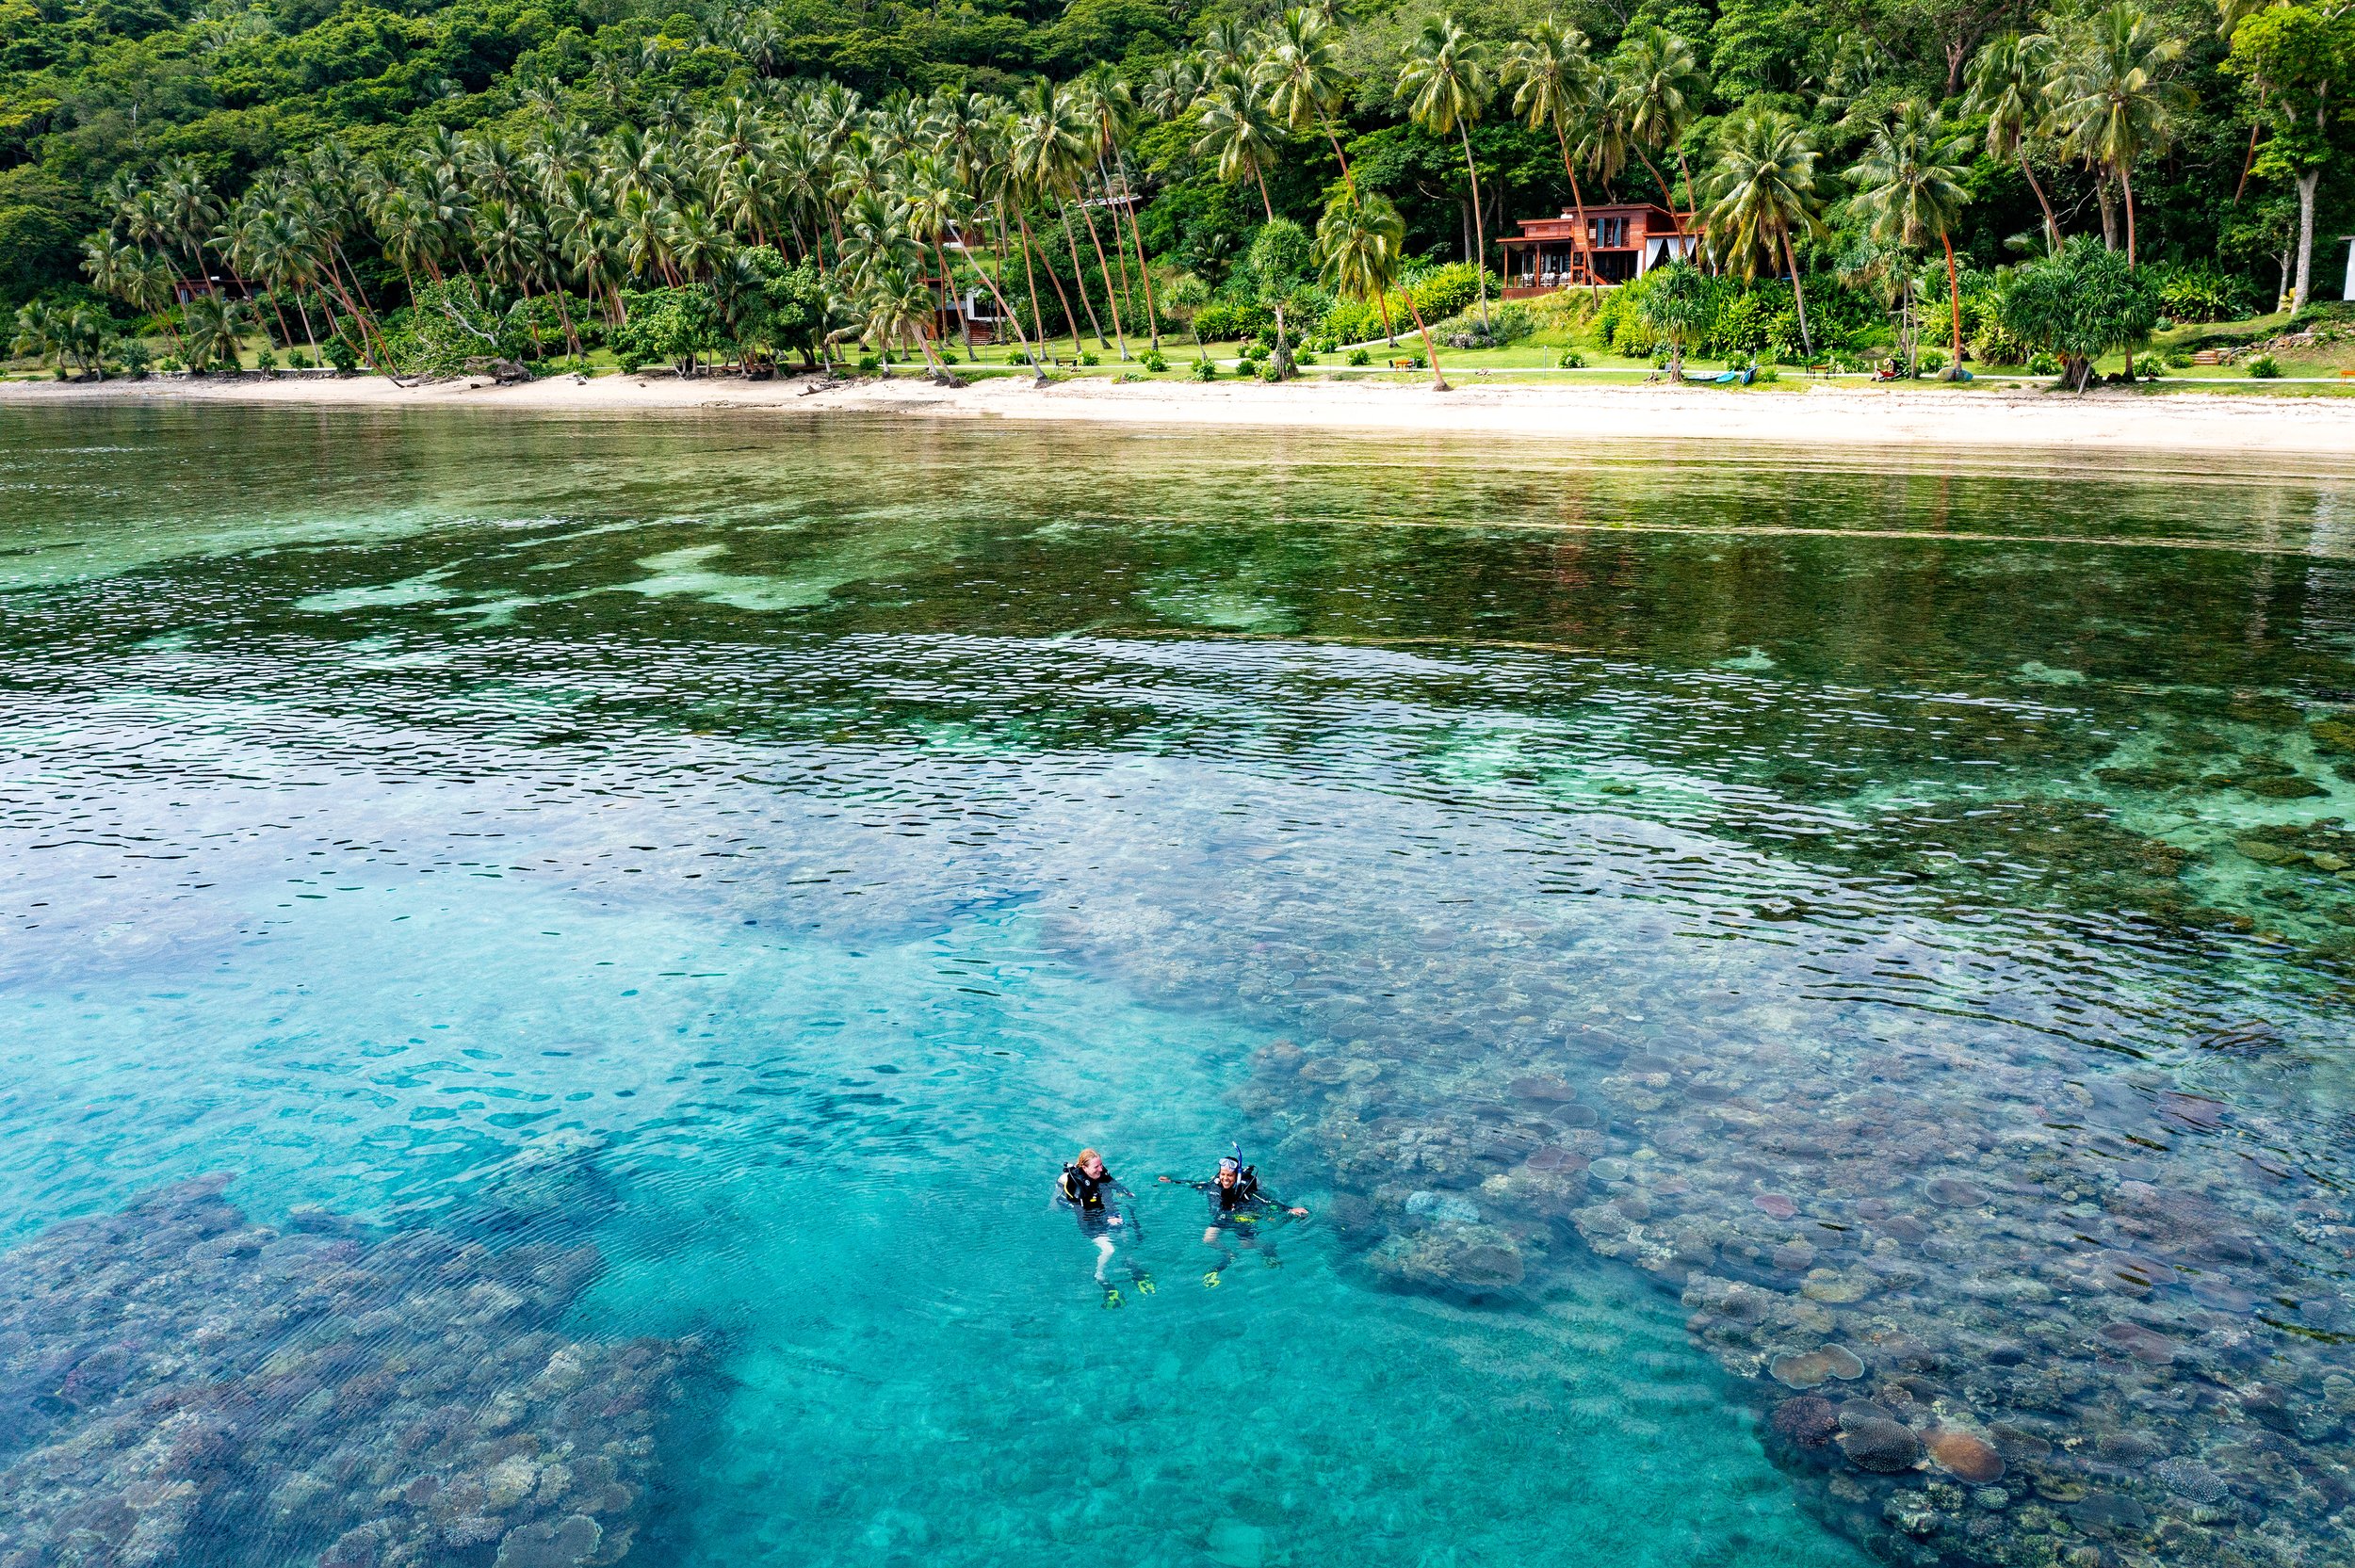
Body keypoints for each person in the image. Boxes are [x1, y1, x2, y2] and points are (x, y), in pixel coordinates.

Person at [1160, 1152, 1307, 1286]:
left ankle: (1267, 1247)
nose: (1225, 1178)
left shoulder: (1245, 1190)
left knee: (1246, 1245)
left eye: (1229, 1175)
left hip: (1243, 1217)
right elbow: (1196, 1184)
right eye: (1223, 1174)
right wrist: (1172, 1181)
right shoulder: (1215, 1184)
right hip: (1223, 1216)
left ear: (1236, 1175)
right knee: (1208, 1239)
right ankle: (1229, 1253)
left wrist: (1289, 1209)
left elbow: (1267, 1202)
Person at [1056, 1148, 1151, 1306]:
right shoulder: (1078, 1187)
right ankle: (1099, 1276)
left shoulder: (1099, 1170)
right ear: (1084, 1168)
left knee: (1125, 1239)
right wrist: (1108, 1219)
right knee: (1109, 1250)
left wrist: (1123, 1190)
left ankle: (1129, 1263)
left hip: (1105, 1214)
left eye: (1101, 1165)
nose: (1101, 1169)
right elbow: (1085, 1213)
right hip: (1089, 1223)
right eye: (1096, 1167)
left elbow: (1109, 1180)